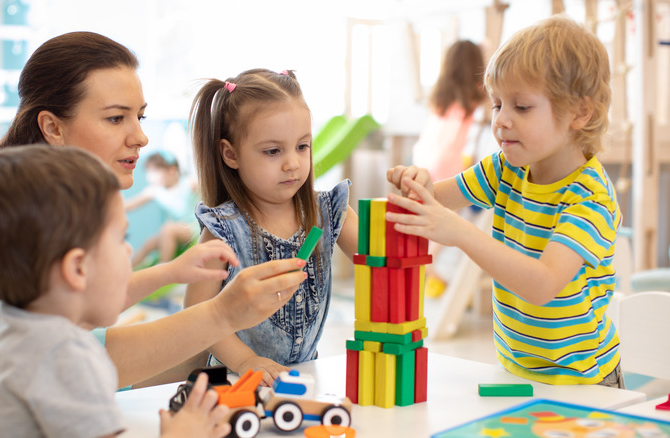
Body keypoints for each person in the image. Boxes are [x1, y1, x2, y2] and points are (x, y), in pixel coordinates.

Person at [0, 32, 307, 437]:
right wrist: (222, 315)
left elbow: (75, 303)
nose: (140, 137)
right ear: (52, 128)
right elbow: (83, 355)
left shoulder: (37, 209)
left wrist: (168, 274)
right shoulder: (14, 222)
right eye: (115, 118)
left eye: (139, 116)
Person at [386, 16, 623, 386]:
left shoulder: (589, 197)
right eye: (497, 105)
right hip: (518, 369)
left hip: (584, 382)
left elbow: (543, 284)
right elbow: (440, 196)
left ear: (580, 112)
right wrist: (420, 184)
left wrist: (461, 233)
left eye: (521, 107)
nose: (501, 121)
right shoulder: (504, 168)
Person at [0, 146, 230, 438]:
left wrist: (171, 271)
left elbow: (93, 306)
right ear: (77, 269)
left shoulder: (13, 322)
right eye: (120, 238)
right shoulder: (66, 357)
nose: (128, 249)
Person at [185, 69, 359, 386]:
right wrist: (245, 360)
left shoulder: (329, 211)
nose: (292, 163)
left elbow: (381, 255)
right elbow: (196, 315)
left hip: (303, 378)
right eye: (273, 151)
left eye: (302, 146)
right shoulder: (222, 228)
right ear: (231, 154)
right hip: (232, 380)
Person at [411, 39, 491, 298]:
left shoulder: (442, 95)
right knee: (450, 219)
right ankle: (428, 266)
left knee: (433, 219)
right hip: (451, 163)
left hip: (425, 157)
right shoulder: (477, 96)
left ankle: (428, 265)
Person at [125, 150, 198, 268]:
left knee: (168, 228)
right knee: (149, 243)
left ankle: (164, 265)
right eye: (148, 172)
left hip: (193, 229)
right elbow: (129, 205)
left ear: (172, 170)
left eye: (154, 171)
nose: (150, 177)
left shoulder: (188, 184)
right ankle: (128, 269)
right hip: (176, 230)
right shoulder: (155, 191)